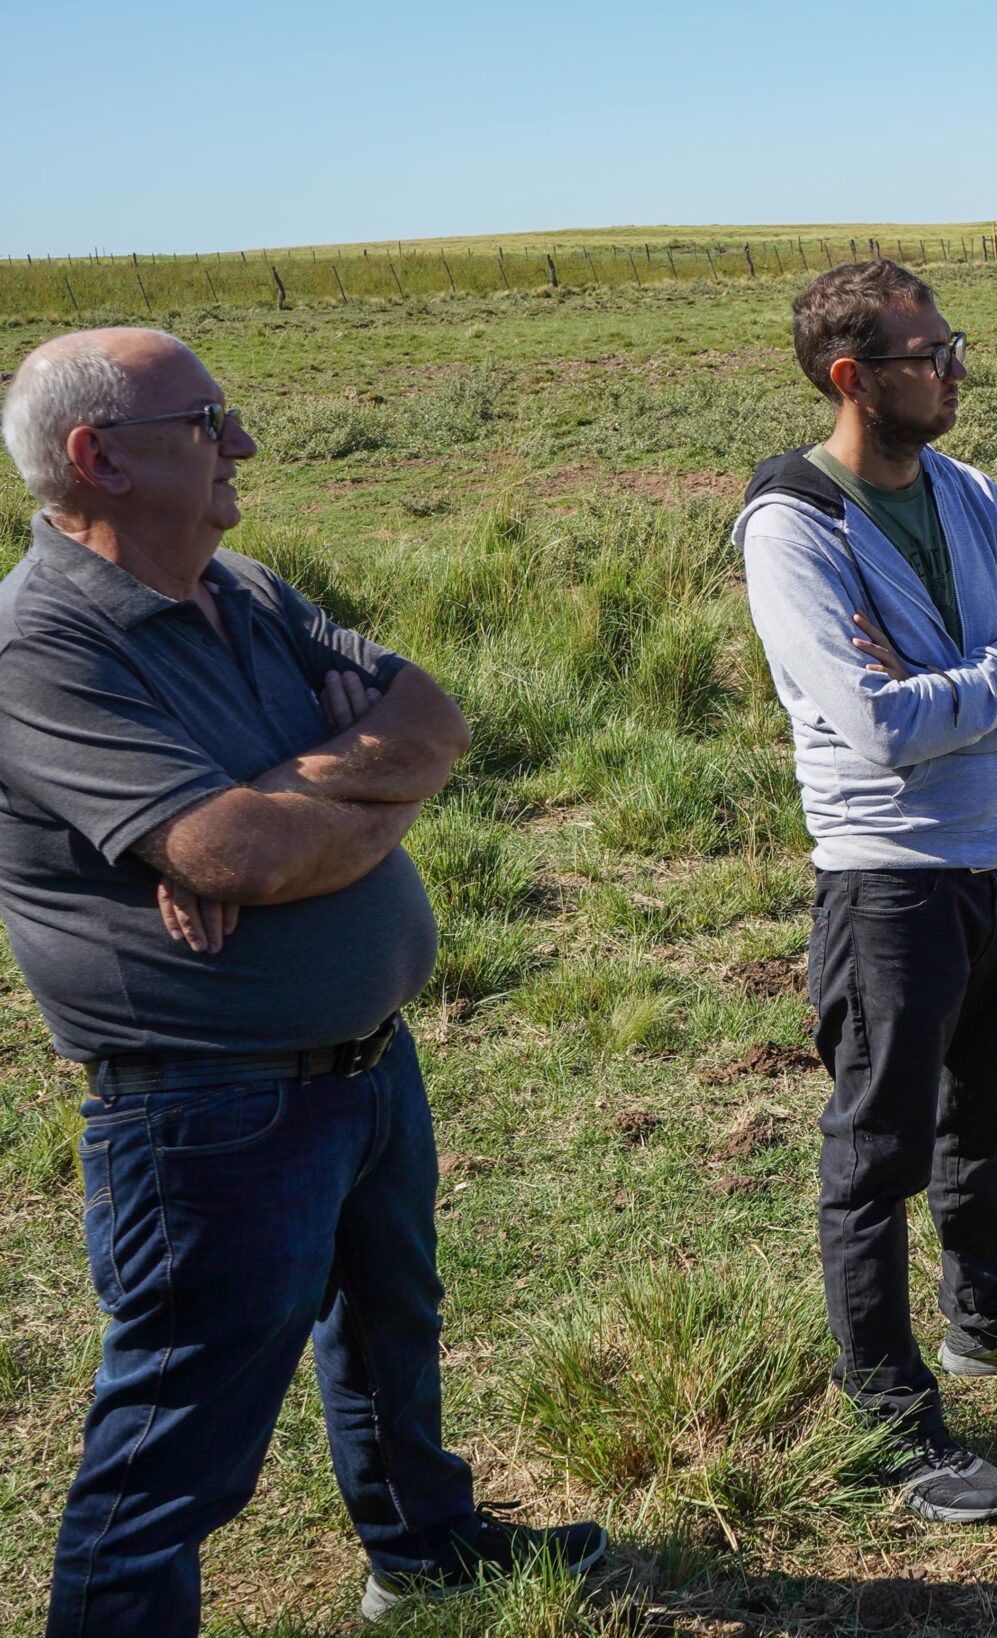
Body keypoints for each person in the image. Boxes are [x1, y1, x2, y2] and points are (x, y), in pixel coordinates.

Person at [0, 329, 604, 1634]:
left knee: (393, 1330)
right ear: (98, 457)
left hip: (362, 1057)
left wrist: (313, 806)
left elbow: (430, 725)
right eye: (208, 420)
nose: (244, 445)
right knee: (177, 1438)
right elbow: (239, 849)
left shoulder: (244, 587)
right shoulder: (42, 649)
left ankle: (421, 1546)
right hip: (205, 1109)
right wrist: (341, 784)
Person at [732, 261, 997, 1526]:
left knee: (991, 1110)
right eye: (927, 353)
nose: (954, 369)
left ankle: (987, 1318)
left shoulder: (970, 492)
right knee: (878, 1149)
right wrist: (992, 684)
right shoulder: (793, 525)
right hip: (886, 883)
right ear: (852, 379)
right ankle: (889, 1412)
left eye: (953, 343)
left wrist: (966, 676)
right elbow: (864, 728)